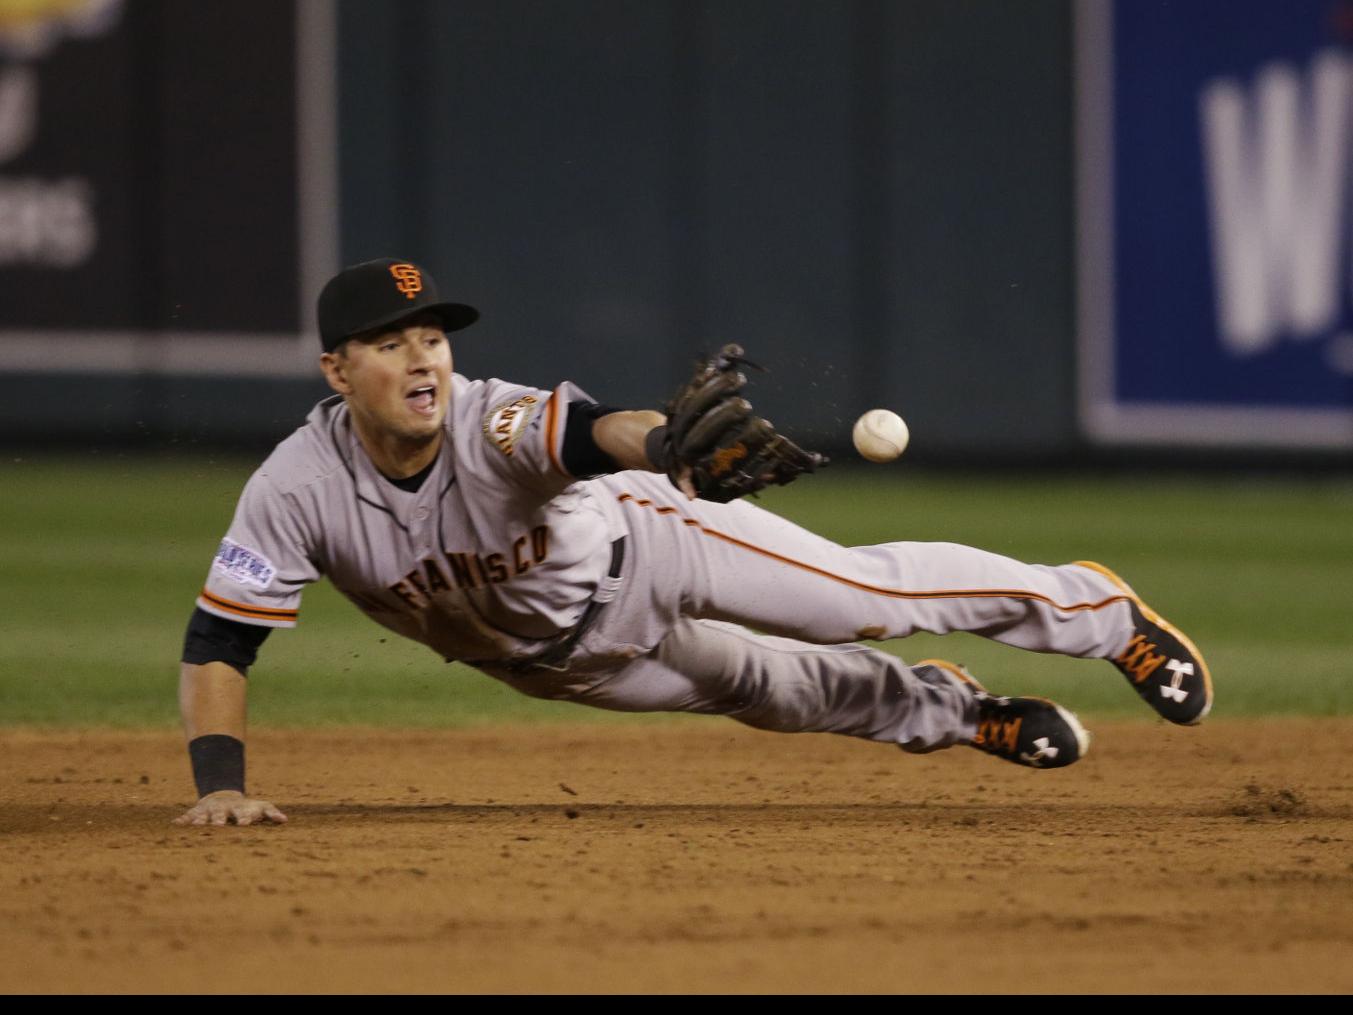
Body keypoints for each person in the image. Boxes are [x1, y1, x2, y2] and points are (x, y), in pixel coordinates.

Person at [174, 258, 1212, 826]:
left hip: (653, 539)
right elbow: (222, 640)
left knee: (861, 596)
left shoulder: (487, 419)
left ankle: (1099, 609)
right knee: (783, 694)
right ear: (335, 370)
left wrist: (666, 442)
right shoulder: (295, 489)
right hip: (562, 661)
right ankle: (956, 711)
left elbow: (591, 432)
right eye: (392, 342)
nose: (424, 359)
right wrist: (220, 787)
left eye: (434, 338)